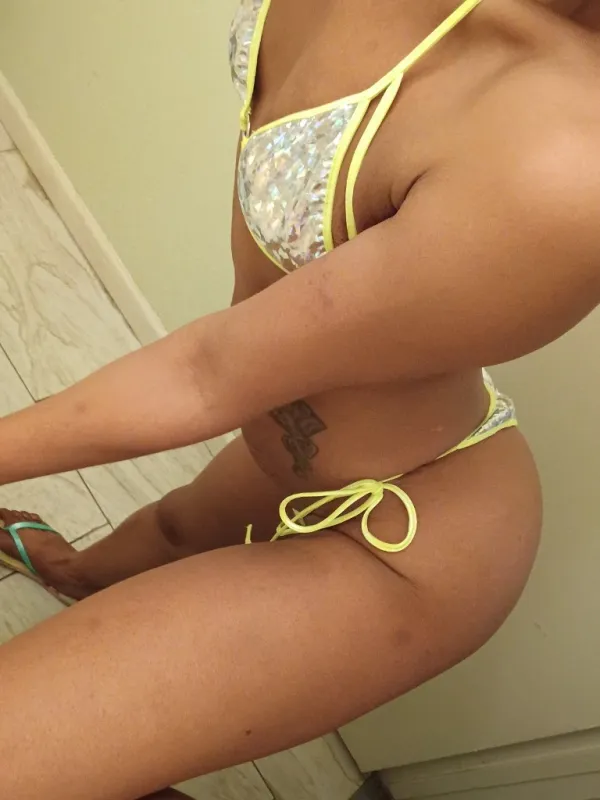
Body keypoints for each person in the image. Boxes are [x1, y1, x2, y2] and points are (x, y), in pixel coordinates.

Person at [0, 0, 598, 797]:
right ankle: (74, 572)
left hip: (405, 538)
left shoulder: (569, 160)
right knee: (166, 532)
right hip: (288, 441)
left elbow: (207, 374)